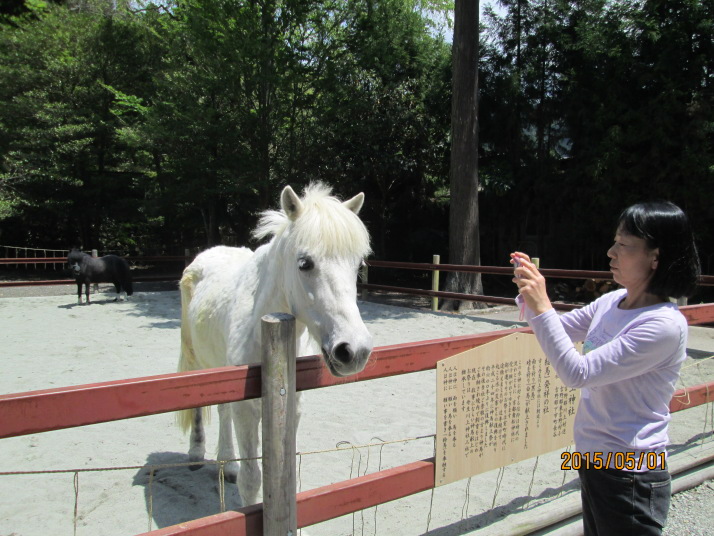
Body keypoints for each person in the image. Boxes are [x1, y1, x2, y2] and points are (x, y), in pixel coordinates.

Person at [511, 201, 701, 536]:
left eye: (624, 244)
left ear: (656, 257)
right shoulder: (612, 301)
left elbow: (577, 373)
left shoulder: (662, 325)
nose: (611, 252)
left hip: (632, 469)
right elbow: (558, 330)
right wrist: (531, 294)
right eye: (615, 242)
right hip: (595, 461)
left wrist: (542, 304)